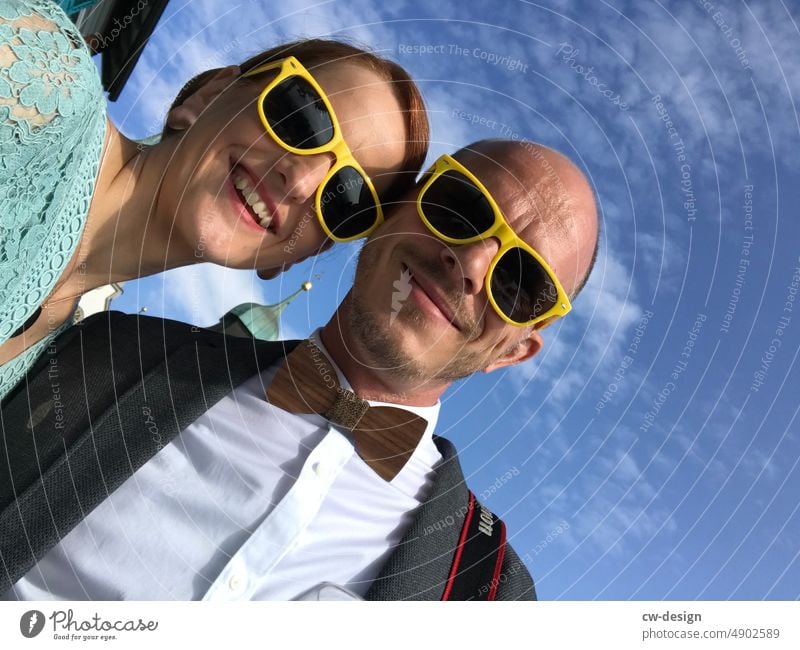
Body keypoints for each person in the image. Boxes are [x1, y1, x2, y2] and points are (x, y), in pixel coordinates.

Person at [0, 139, 599, 600]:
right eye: (463, 209)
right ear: (396, 209)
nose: (469, 263)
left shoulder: (488, 595)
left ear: (513, 350)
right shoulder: (109, 350)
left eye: (521, 282)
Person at [0, 0, 429, 399]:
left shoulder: (58, 360)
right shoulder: (34, 84)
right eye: (302, 119)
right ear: (208, 96)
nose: (300, 181)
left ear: (295, 256)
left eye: (347, 200)